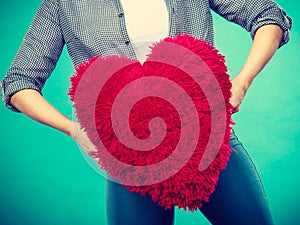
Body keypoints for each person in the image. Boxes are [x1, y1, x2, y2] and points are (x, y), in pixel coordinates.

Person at [1, 0, 292, 224]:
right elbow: (19, 82)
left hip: (209, 143)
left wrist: (242, 81)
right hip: (129, 160)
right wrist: (72, 128)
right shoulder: (63, 4)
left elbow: (268, 16)